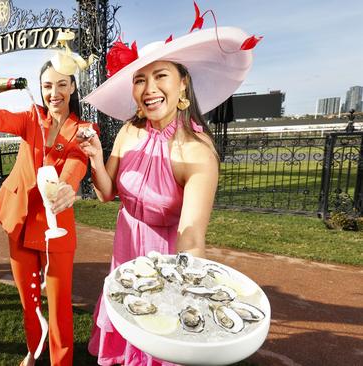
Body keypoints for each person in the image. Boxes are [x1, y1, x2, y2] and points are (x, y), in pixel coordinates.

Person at [77, 24, 259, 365]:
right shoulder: (129, 131)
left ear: (182, 83)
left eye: (161, 75)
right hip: (126, 245)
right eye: (139, 79)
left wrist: (186, 288)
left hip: (167, 256)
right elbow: (106, 194)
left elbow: (191, 235)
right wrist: (95, 159)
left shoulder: (197, 152)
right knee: (128, 323)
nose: (150, 89)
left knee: (159, 332)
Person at [0, 60, 99, 366]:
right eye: (47, 86)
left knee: (58, 304)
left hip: (56, 224)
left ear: (74, 87)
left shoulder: (85, 129)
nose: (54, 93)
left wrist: (67, 186)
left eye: (62, 85)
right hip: (19, 218)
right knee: (29, 300)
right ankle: (33, 351)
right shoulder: (31, 117)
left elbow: (77, 162)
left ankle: (61, 362)